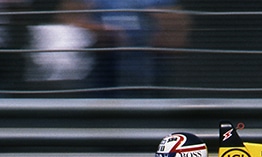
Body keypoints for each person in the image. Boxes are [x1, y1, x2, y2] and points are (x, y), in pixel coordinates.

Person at [57, 0, 189, 93]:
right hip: (100, 70)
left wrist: (151, 32)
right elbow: (69, 23)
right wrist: (104, 33)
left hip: (148, 69)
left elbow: (176, 37)